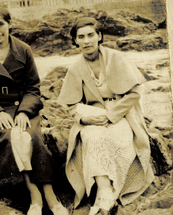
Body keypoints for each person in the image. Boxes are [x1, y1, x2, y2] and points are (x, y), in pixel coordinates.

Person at [0, 6, 69, 215]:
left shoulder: (23, 50)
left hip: (23, 108)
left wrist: (23, 111)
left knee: (32, 136)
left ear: (9, 24)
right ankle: (34, 194)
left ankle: (50, 195)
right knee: (10, 138)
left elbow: (33, 88)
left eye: (1, 24)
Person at [57, 17, 155, 215]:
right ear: (75, 41)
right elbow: (71, 105)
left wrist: (111, 116)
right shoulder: (76, 68)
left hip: (122, 114)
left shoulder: (116, 58)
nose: (86, 41)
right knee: (92, 136)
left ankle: (116, 189)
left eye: (91, 35)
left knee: (120, 140)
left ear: (99, 36)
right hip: (92, 118)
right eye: (81, 37)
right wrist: (84, 119)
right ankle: (104, 192)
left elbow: (135, 94)